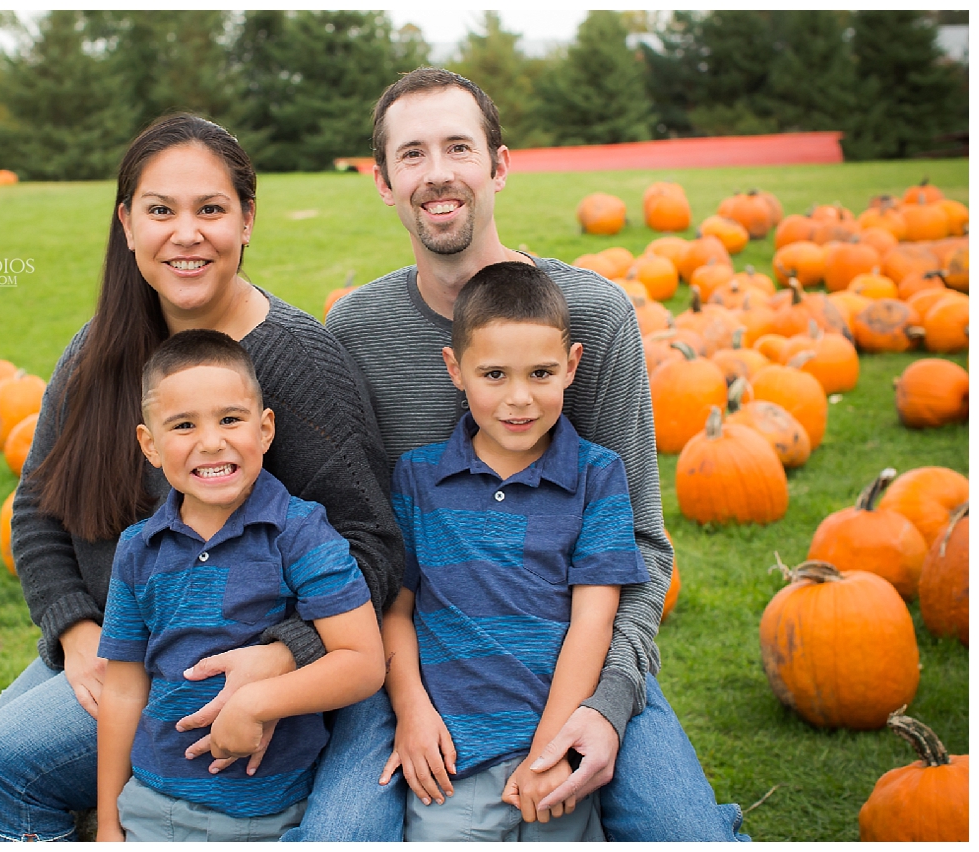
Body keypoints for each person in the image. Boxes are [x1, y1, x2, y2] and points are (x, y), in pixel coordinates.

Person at [0, 113, 404, 842]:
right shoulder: (97, 354)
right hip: (118, 645)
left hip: (225, 661)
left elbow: (372, 544)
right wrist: (75, 630)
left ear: (246, 219)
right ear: (127, 223)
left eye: (210, 209)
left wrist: (282, 653)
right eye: (160, 210)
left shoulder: (298, 364)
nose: (186, 233)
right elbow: (37, 511)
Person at [325, 67, 750, 841]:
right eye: (412, 155)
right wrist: (402, 699)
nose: (439, 173)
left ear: (499, 165)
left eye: (459, 147)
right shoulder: (356, 329)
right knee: (337, 836)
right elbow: (369, 549)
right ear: (384, 183)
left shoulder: (592, 313)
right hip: (419, 663)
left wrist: (607, 703)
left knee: (687, 834)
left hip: (568, 655)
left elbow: (643, 549)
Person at [382, 262, 650, 841]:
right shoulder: (417, 477)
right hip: (451, 762)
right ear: (456, 370)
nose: (519, 398)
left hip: (557, 756)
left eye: (541, 373)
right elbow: (395, 609)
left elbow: (593, 620)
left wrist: (549, 751)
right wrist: (411, 709)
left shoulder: (597, 476)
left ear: (572, 366)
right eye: (495, 374)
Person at [95, 329, 385, 842]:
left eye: (230, 419)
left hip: (267, 818)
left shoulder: (299, 532)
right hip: (150, 809)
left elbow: (362, 663)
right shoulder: (138, 549)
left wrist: (256, 703)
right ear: (151, 445)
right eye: (183, 425)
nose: (212, 441)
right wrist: (107, 821)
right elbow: (121, 688)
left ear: (265, 429)